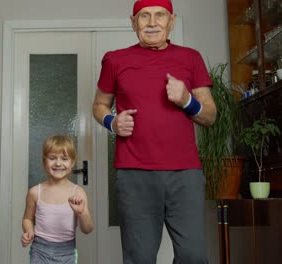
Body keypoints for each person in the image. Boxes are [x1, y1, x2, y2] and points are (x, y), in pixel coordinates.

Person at [92, 0, 217, 263]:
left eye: (160, 15)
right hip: (135, 173)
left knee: (193, 256)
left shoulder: (190, 58)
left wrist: (187, 101)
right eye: (144, 16)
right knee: (139, 257)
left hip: (185, 174)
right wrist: (112, 123)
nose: (152, 22)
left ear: (171, 21)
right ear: (132, 22)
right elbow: (99, 105)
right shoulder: (115, 60)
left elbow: (210, 115)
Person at [21, 135, 94, 264]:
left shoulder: (78, 193)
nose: (58, 163)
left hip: (67, 252)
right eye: (52, 158)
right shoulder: (35, 192)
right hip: (39, 251)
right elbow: (27, 218)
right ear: (44, 162)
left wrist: (82, 213)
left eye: (64, 159)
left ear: (72, 163)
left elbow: (87, 229)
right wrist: (29, 231)